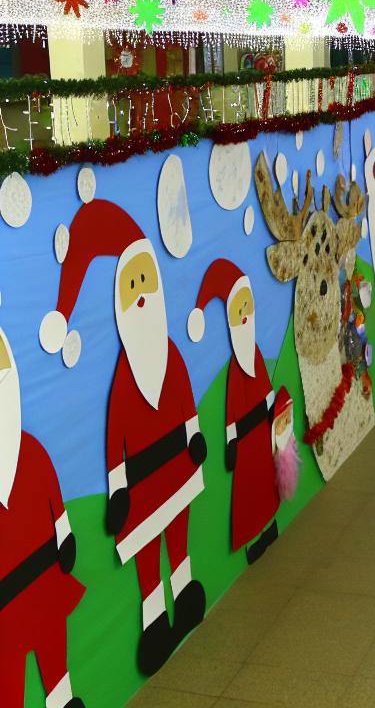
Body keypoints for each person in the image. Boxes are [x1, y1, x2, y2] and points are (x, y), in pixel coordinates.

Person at [39, 200, 207, 676]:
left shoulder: (169, 355)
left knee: (178, 533)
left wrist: (194, 434)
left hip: (176, 466)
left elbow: (186, 398)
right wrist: (117, 490)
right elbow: (116, 437)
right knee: (148, 553)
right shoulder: (124, 377)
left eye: (144, 283)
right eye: (131, 287)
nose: (139, 296)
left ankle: (186, 586)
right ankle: (155, 620)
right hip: (144, 483)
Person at [0, 326, 86, 708]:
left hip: (44, 577)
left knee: (54, 648)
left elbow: (52, 494)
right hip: (7, 603)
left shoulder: (31, 452)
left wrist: (64, 533)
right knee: (8, 675)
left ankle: (62, 699)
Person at [188, 259, 280, 564]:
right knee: (248, 493)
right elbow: (231, 412)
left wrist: (271, 414)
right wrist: (231, 441)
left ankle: (269, 526)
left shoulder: (253, 355)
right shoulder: (234, 371)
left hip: (260, 433)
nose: (245, 319)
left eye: (247, 310)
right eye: (239, 312)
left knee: (264, 485)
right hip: (246, 439)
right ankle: (255, 535)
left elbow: (266, 390)